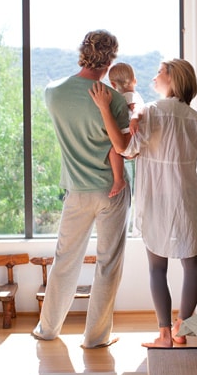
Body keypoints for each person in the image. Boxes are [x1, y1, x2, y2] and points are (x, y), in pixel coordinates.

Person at [89, 59, 197, 348]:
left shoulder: (151, 112)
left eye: (160, 71)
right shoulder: (195, 119)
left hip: (156, 199)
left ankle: (165, 335)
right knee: (192, 265)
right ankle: (182, 329)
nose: (154, 76)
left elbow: (125, 148)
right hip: (187, 198)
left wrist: (105, 109)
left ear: (173, 78)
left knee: (157, 268)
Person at [32, 29, 132, 349]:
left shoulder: (52, 92)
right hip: (110, 191)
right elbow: (121, 147)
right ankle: (96, 337)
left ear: (82, 52)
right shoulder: (113, 100)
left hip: (76, 191)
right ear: (110, 59)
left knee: (65, 261)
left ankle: (48, 329)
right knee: (108, 263)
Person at [106, 62, 145, 198]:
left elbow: (138, 109)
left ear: (112, 84)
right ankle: (120, 179)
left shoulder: (130, 96)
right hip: (133, 138)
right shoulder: (131, 95)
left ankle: (118, 180)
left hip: (130, 136)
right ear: (135, 80)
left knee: (112, 150)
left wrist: (134, 119)